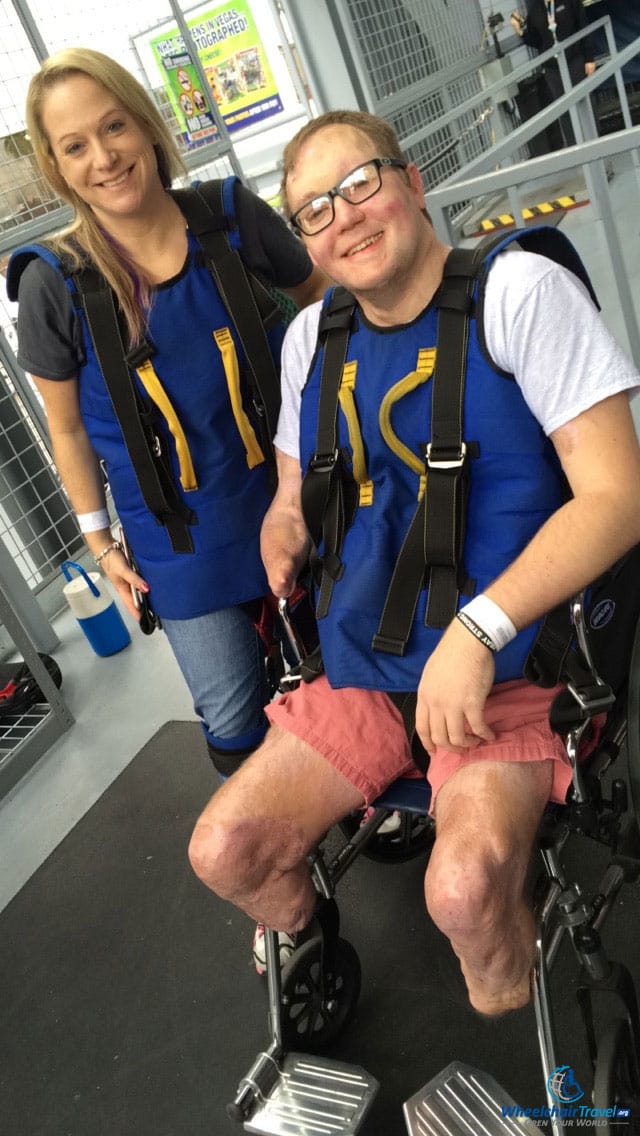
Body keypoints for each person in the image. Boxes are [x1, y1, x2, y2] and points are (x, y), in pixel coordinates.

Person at [186, 109, 640, 1017]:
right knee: (225, 850)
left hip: (512, 665)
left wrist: (479, 631)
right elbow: (292, 492)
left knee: (463, 894)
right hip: (369, 660)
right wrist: (283, 525)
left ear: (411, 181)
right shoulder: (311, 340)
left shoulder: (520, 295)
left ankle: (505, 970)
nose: (345, 217)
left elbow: (619, 498)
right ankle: (305, 931)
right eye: (315, 210)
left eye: (360, 183)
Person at [7, 48, 326, 779]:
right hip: (180, 545)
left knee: (357, 671)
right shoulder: (56, 284)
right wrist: (100, 543)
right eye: (75, 146)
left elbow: (320, 298)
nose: (104, 157)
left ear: (147, 124)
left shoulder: (231, 216)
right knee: (235, 727)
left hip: (300, 494)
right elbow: (67, 428)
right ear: (57, 167)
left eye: (114, 126)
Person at [511, 2, 596, 146]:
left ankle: (596, 144)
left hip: (574, 60)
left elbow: (583, 25)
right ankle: (575, 149)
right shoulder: (535, 9)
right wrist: (521, 32)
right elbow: (537, 41)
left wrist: (589, 58)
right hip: (553, 69)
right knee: (564, 110)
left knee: (584, 102)